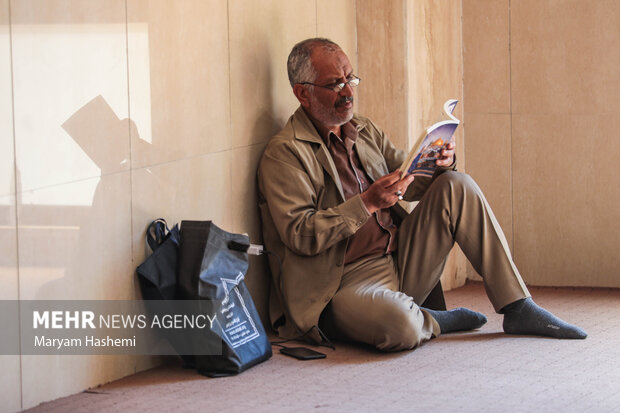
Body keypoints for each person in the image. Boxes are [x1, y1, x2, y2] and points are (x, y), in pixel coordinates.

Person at [257, 38, 586, 351]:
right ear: (303, 93)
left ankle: (518, 306)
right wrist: (368, 203)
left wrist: (440, 162)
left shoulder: (364, 129)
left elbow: (407, 182)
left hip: (401, 256)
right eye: (335, 84)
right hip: (340, 280)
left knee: (457, 185)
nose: (348, 91)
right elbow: (299, 234)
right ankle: (431, 319)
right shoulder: (285, 153)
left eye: (350, 78)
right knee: (400, 328)